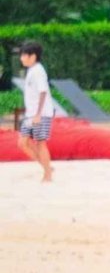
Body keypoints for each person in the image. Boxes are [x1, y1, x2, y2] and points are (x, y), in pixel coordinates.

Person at [16, 40, 55, 183]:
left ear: (32, 56)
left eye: (23, 55)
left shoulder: (38, 71)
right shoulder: (31, 71)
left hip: (40, 114)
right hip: (30, 114)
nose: (21, 58)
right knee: (22, 143)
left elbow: (43, 92)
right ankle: (46, 167)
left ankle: (47, 175)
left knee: (40, 143)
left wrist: (38, 114)